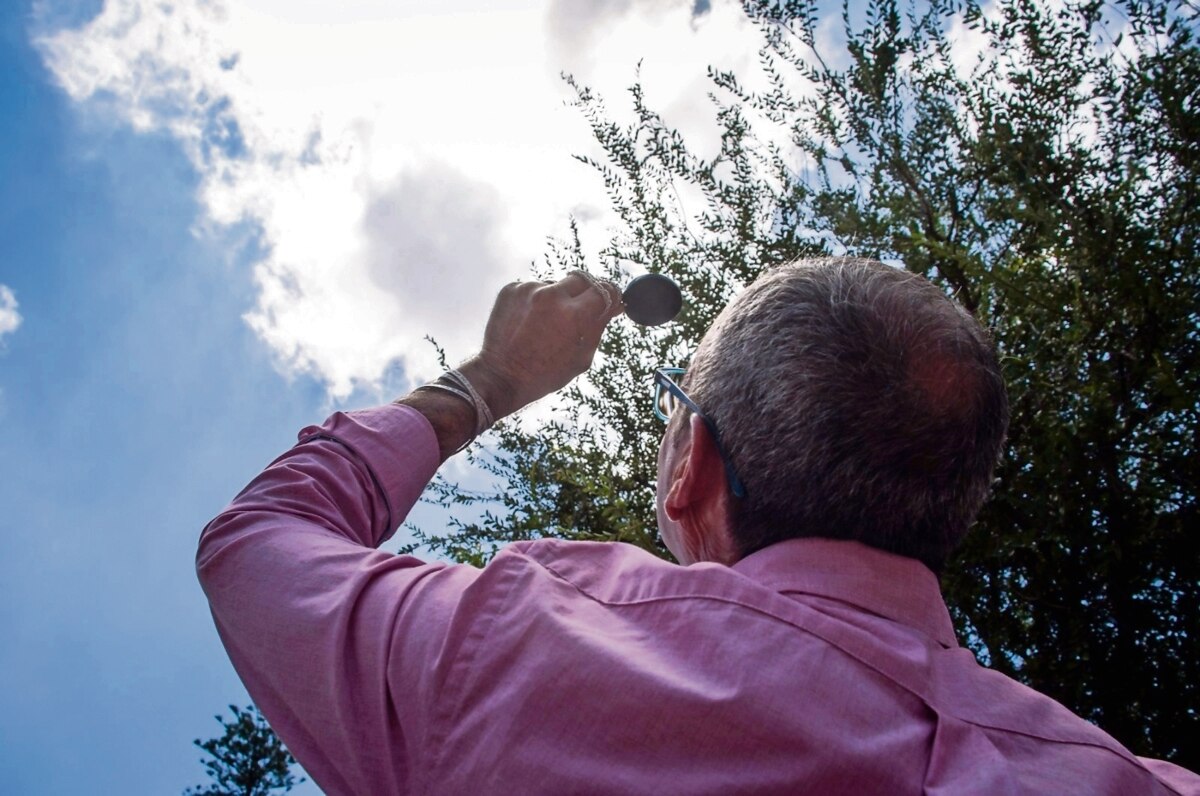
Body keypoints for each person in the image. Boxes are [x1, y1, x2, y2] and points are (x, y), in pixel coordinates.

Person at [197, 258, 1198, 795]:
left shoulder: (515, 655)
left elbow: (260, 543)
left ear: (694, 472)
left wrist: (489, 379)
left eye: (680, 408)